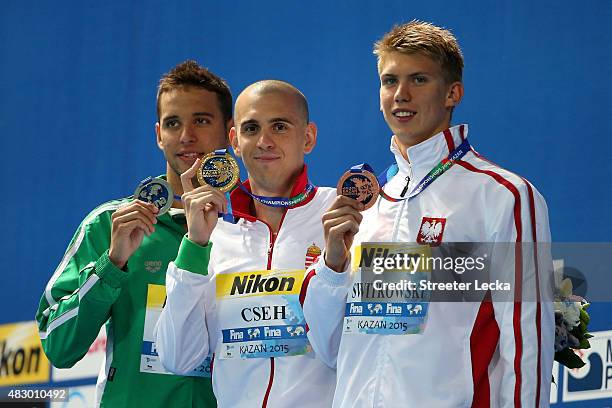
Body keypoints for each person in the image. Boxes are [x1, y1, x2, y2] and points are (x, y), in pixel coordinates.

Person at [302, 20, 554, 407]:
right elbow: (330, 349)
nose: (400, 94)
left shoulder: (503, 195)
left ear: (453, 92)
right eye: (389, 81)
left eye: (418, 80)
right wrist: (333, 268)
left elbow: (526, 342)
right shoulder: (367, 203)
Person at [35, 60, 232, 407]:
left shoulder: (254, 228)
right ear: (159, 135)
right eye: (173, 123)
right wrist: (111, 265)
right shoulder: (112, 224)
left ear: (229, 132)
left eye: (201, 120)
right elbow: (58, 345)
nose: (186, 135)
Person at [155, 80, 336, 407]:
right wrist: (194, 246)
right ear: (235, 141)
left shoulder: (340, 216)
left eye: (279, 126)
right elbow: (177, 357)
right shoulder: (216, 234)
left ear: (307, 137)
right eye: (252, 128)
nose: (264, 141)